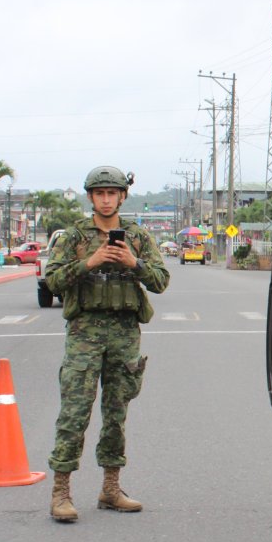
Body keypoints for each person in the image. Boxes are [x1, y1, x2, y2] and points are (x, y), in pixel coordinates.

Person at [43, 166, 170, 523]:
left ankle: (111, 488)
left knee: (116, 415)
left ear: (122, 196)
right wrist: (89, 262)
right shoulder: (74, 236)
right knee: (74, 413)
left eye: (112, 193)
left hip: (124, 334)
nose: (105, 199)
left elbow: (161, 281)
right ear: (90, 197)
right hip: (84, 333)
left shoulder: (137, 236)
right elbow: (52, 280)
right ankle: (61, 492)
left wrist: (134, 263)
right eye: (99, 193)